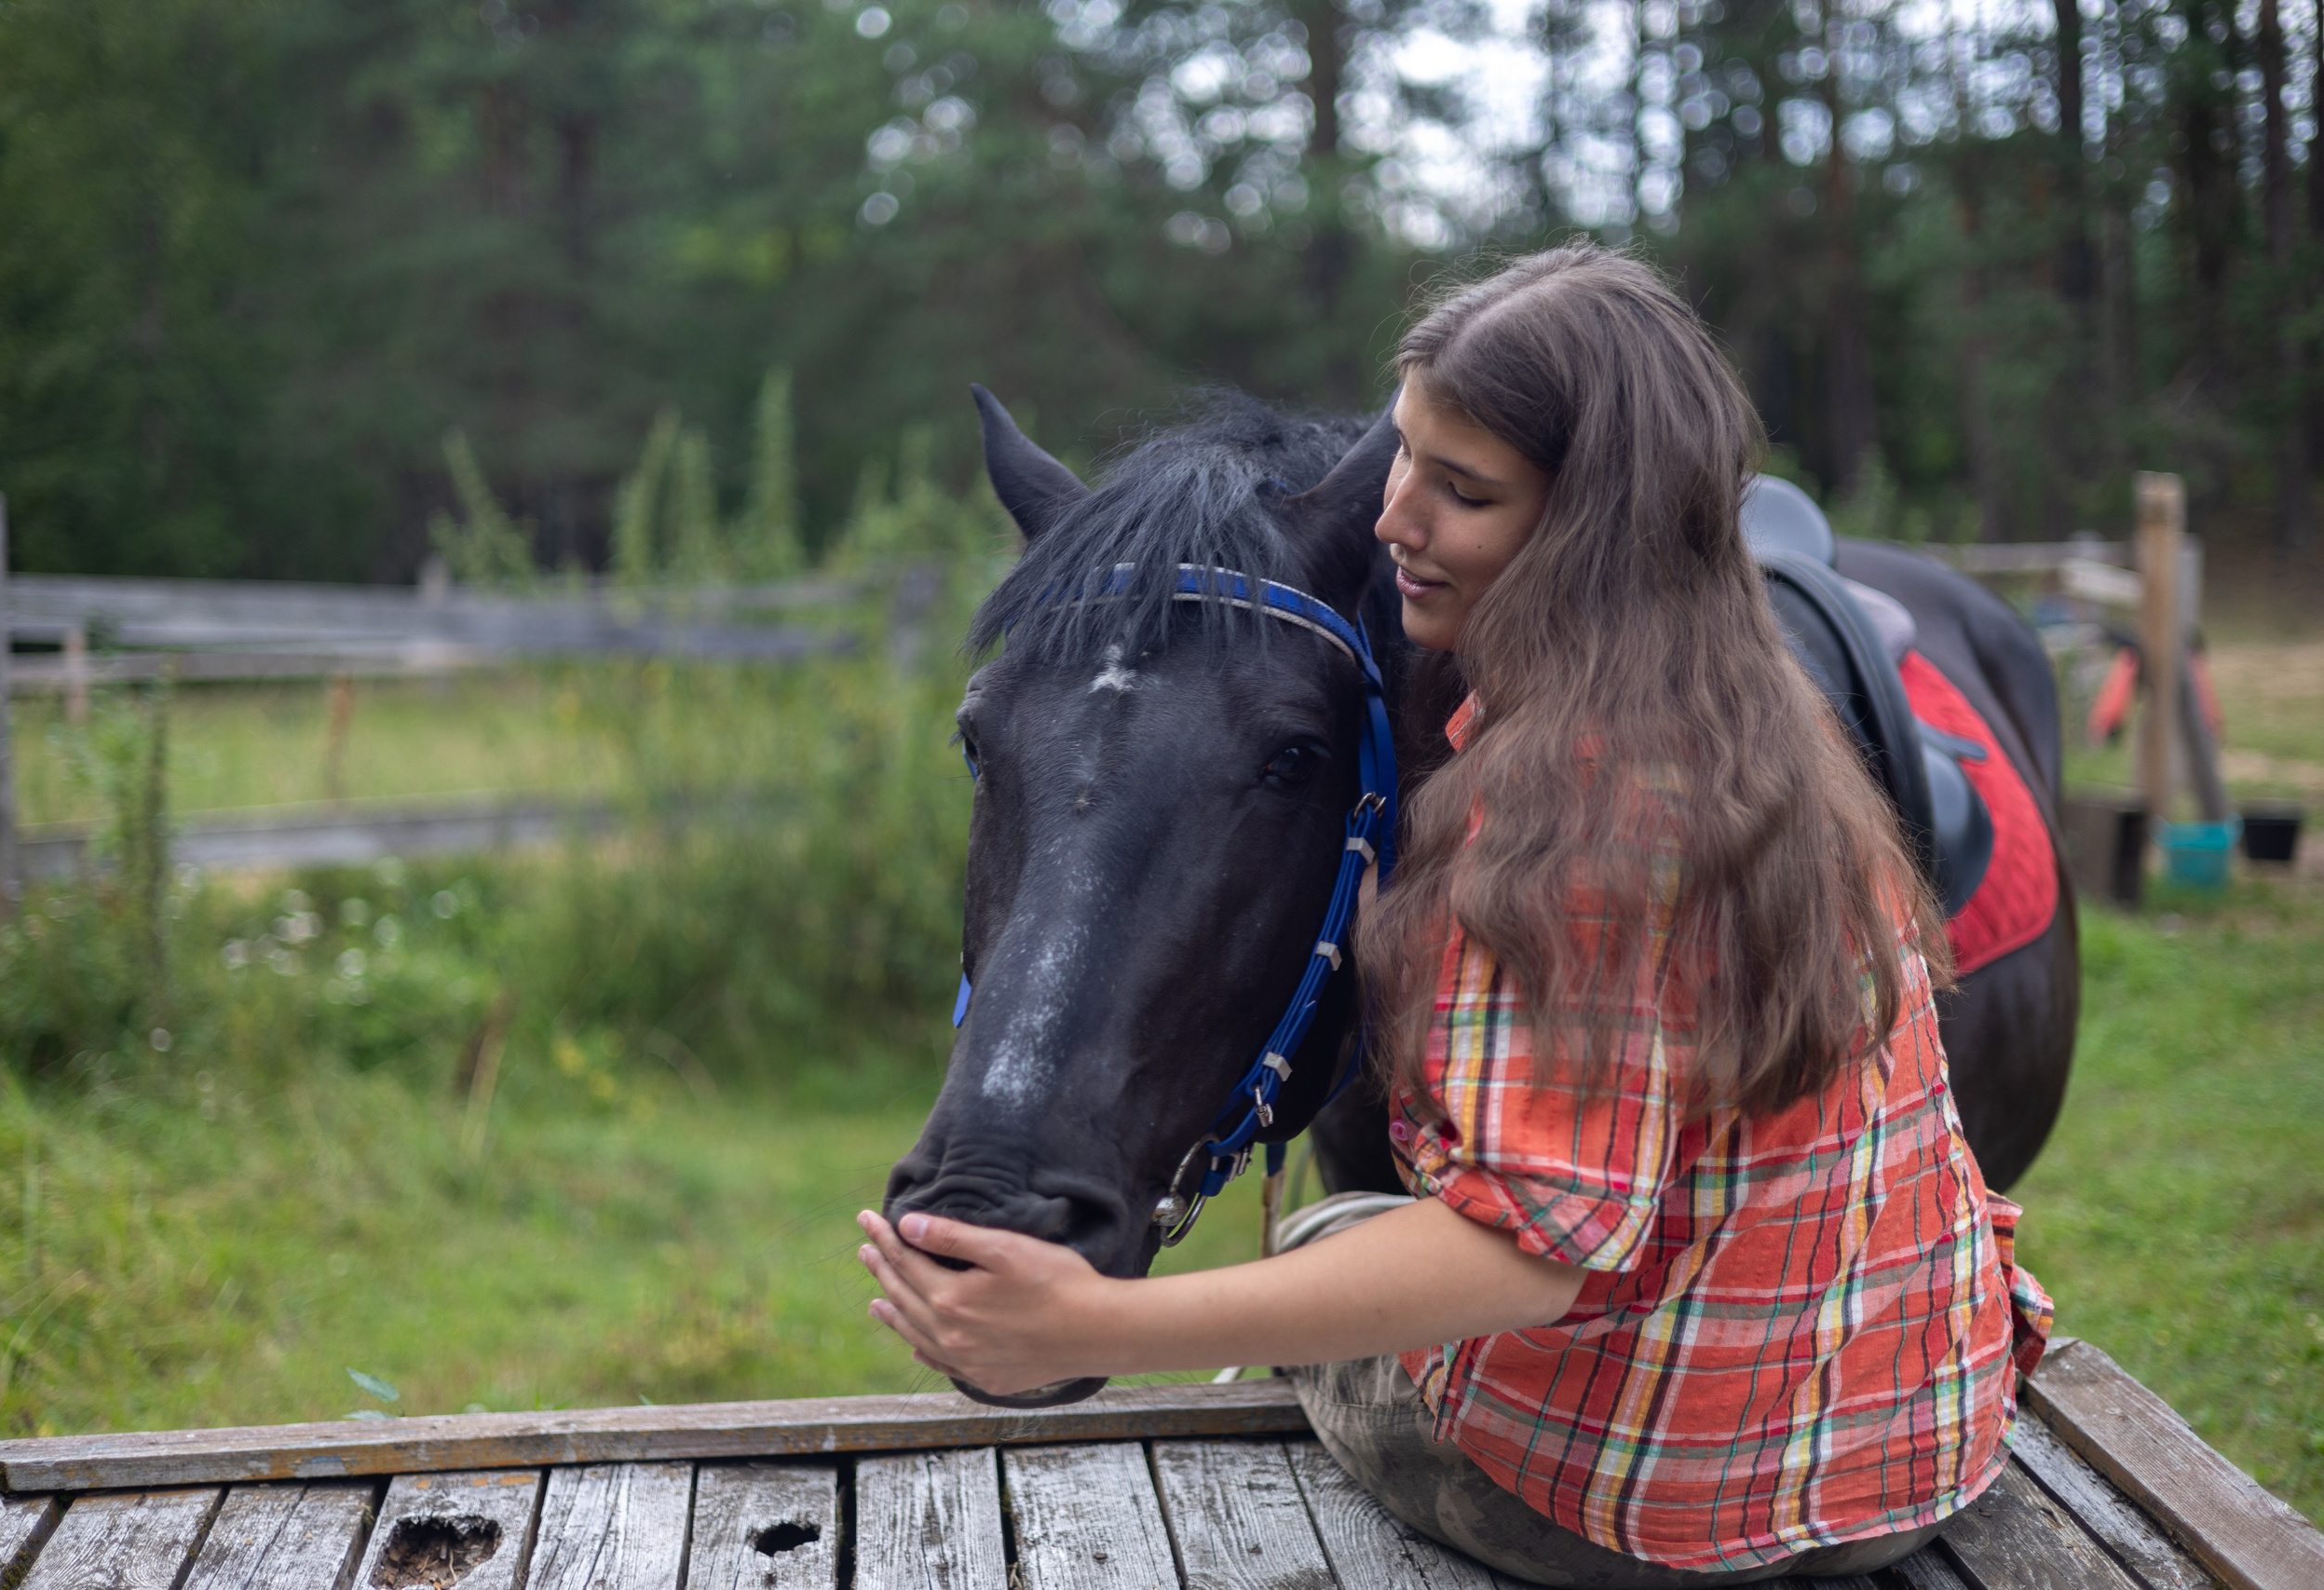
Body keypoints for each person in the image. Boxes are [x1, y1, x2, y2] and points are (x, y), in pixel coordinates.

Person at [854, 245, 2051, 1586]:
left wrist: (1090, 1324)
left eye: (1462, 490)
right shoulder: (1757, 728)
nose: (1389, 520)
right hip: (1913, 1440)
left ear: (1592, 530)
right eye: (1401, 459)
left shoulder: (1558, 812)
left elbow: (1527, 1252)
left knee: (1328, 1243)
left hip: (1669, 1515)